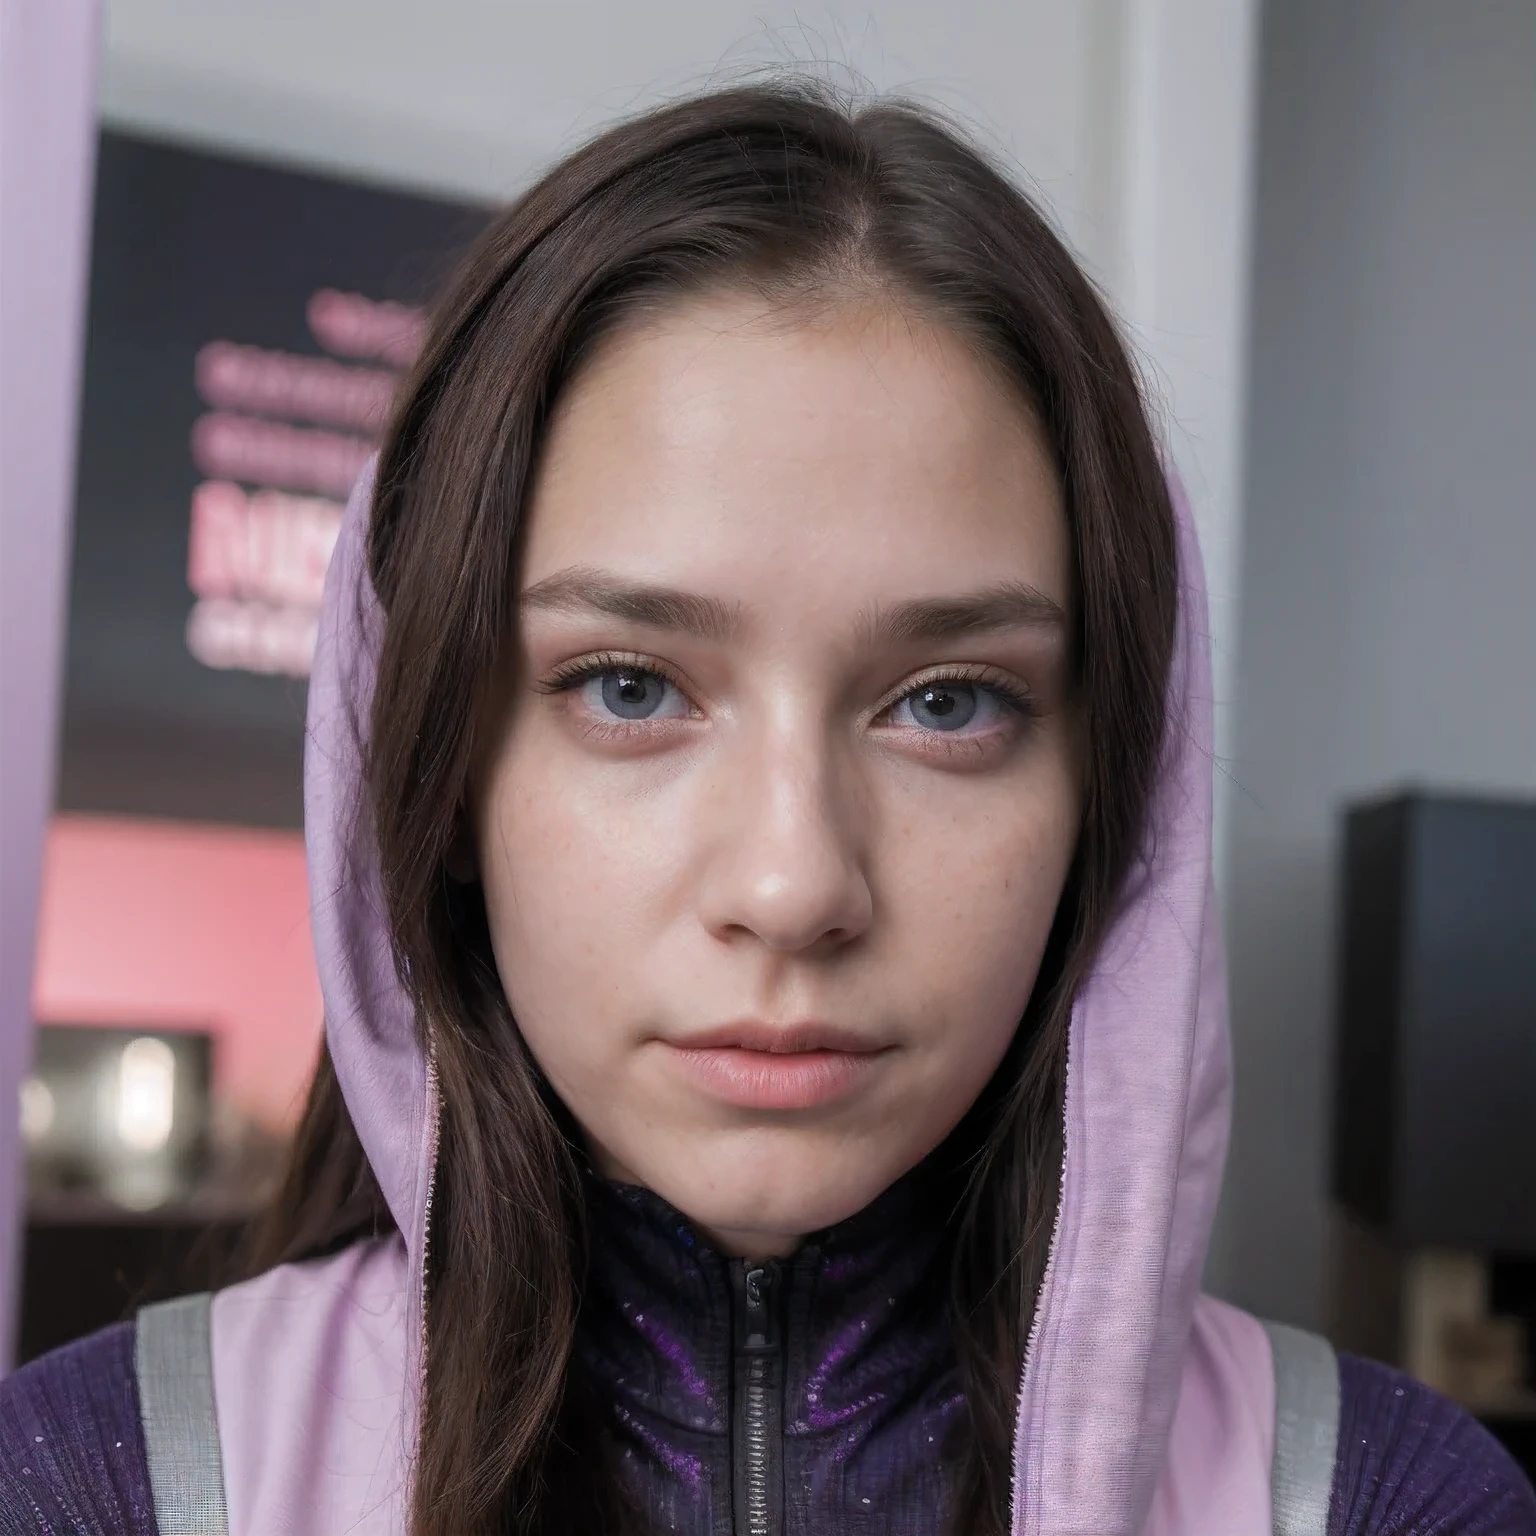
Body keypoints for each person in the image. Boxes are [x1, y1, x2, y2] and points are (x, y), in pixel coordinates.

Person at [2, 80, 1531, 1536]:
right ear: (438, 778)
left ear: (1112, 801)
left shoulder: (1368, 1499)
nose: (796, 885)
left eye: (948, 702)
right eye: (627, 687)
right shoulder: (112, 1484)